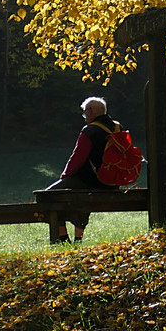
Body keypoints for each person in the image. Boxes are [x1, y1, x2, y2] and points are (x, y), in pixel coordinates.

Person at [41, 96, 119, 244]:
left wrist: (65, 175)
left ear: (90, 111)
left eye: (84, 113)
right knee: (83, 200)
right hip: (112, 182)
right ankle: (78, 240)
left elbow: (77, 157)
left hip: (90, 181)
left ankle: (63, 240)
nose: (84, 118)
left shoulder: (89, 130)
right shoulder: (117, 127)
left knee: (47, 196)